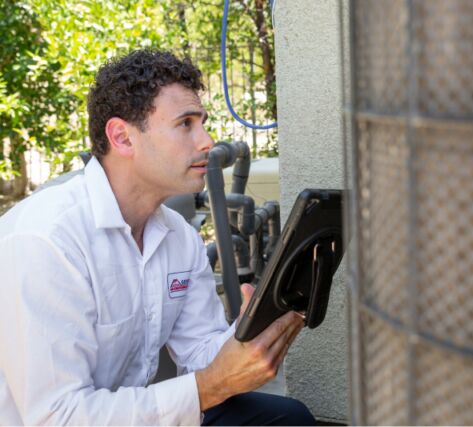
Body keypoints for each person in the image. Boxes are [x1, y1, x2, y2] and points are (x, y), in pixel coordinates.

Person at [0, 49, 314, 426]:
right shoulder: (47, 241)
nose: (207, 141)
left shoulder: (178, 237)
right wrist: (207, 388)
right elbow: (57, 417)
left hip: (125, 415)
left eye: (202, 123)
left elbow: (201, 356)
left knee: (288, 418)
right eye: (185, 124)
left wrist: (252, 331)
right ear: (122, 137)